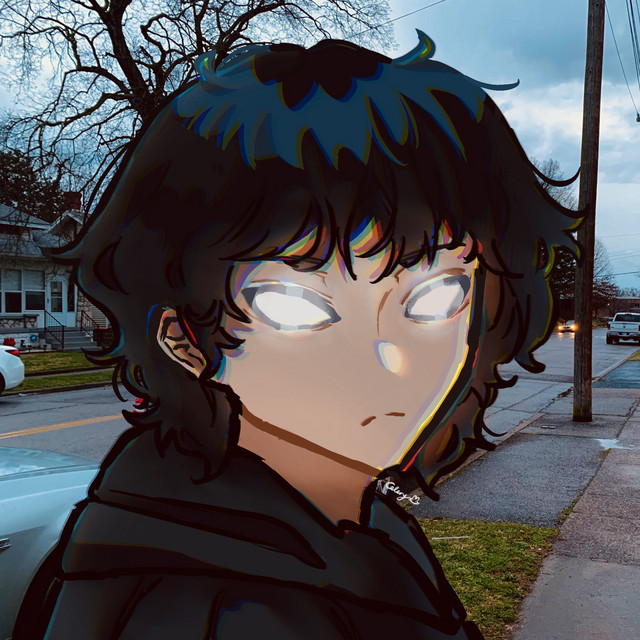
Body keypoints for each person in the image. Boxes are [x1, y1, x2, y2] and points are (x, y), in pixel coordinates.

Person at [15, 32, 581, 639]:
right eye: (296, 308)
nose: (390, 362)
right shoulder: (218, 608)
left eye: (435, 299)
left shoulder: (343, 521)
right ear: (183, 338)